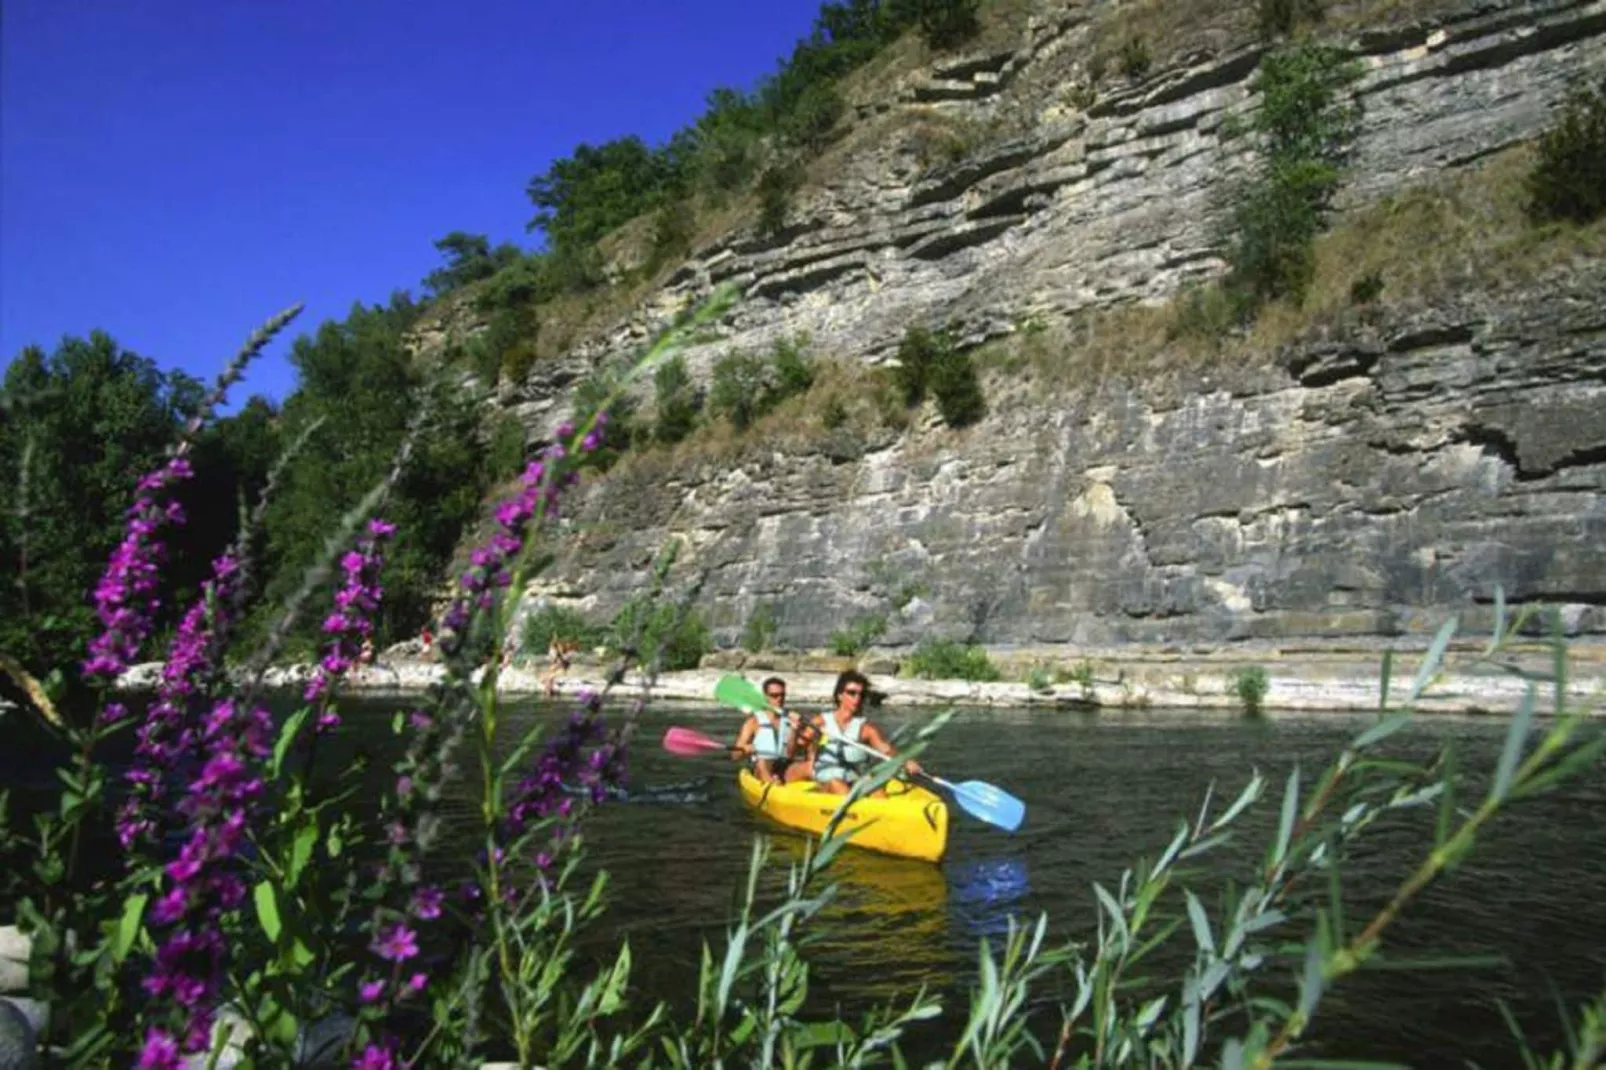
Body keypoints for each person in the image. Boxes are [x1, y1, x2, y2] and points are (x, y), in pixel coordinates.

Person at [807, 670, 921, 797]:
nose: (857, 698)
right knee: (838, 785)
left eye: (861, 694)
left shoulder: (867, 729)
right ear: (839, 695)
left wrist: (905, 761)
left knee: (878, 793)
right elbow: (801, 743)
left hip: (855, 778)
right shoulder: (820, 722)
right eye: (852, 693)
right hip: (828, 777)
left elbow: (886, 750)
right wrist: (796, 731)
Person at [733, 676, 805, 785]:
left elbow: (790, 754)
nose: (779, 699)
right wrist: (744, 749)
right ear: (765, 697)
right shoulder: (753, 721)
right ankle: (772, 783)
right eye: (774, 696)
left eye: (782, 695)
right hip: (762, 765)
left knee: (809, 765)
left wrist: (794, 730)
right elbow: (734, 755)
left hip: (783, 765)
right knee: (762, 763)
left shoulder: (791, 720)